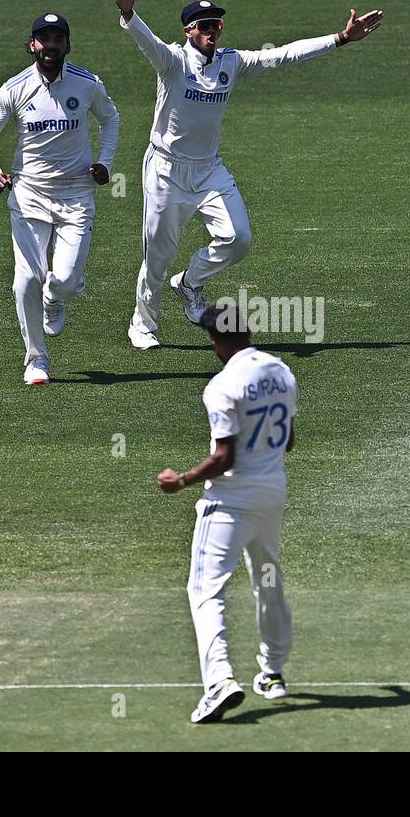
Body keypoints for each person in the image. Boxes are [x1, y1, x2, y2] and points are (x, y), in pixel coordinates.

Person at [109, 0, 383, 348]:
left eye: (217, 25)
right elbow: (146, 41)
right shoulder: (172, 61)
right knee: (158, 255)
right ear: (190, 31)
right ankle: (142, 323)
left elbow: (283, 55)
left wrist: (339, 39)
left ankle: (189, 283)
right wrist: (128, 12)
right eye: (206, 26)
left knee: (239, 238)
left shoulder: (231, 62)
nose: (213, 31)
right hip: (166, 170)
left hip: (208, 170)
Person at [157, 304, 299, 723]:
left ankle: (219, 681)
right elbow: (288, 441)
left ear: (215, 341)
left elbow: (223, 456)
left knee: (205, 590)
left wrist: (180, 480)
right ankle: (272, 672)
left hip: (230, 500)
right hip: (272, 493)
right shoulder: (281, 372)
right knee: (268, 579)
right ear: (248, 330)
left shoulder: (221, 386)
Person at [0, 13, 120, 386]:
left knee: (66, 280)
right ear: (32, 44)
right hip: (29, 195)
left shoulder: (87, 85)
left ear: (67, 45)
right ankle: (36, 360)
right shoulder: (15, 88)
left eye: (58, 39)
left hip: (76, 194)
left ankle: (56, 296)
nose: (51, 45)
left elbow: (111, 119)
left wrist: (105, 162)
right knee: (25, 280)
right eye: (44, 39)